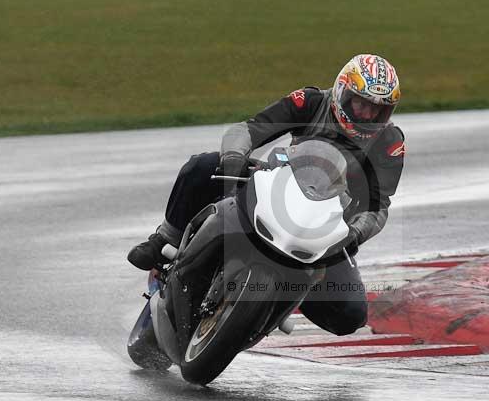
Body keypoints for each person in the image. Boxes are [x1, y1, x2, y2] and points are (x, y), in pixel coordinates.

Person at [128, 54, 405, 336]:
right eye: (361, 104)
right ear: (343, 92)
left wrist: (355, 233)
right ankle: (165, 240)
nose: (367, 115)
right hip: (280, 185)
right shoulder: (311, 102)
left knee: (351, 315)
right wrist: (234, 157)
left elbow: (379, 206)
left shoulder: (389, 142)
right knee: (202, 166)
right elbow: (249, 129)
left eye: (377, 110)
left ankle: (285, 298)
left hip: (326, 228)